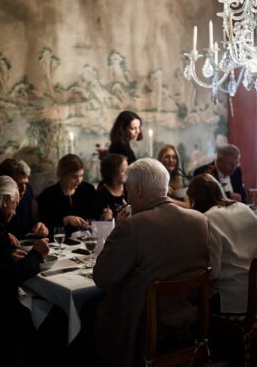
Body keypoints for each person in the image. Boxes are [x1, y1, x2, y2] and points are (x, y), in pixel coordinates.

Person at [93, 158, 210, 367]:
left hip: (142, 324)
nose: (127, 198)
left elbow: (101, 277)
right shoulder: (200, 220)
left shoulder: (133, 227)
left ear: (138, 190)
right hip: (188, 315)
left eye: (128, 191)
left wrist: (117, 229)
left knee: (88, 310)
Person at [0, 175, 49, 365]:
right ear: (5, 200)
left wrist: (7, 257)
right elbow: (11, 277)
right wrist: (36, 253)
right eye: (14, 205)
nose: (15, 212)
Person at [187, 173, 257, 314]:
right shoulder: (244, 208)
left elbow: (213, 272)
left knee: (187, 302)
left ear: (196, 200)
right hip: (254, 296)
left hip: (232, 302)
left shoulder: (208, 218)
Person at [37, 154, 99, 240]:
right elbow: (44, 229)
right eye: (74, 177)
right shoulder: (47, 196)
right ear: (62, 175)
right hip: (59, 244)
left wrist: (105, 215)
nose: (79, 181)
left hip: (86, 241)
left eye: (81, 176)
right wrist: (64, 220)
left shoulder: (88, 190)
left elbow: (95, 216)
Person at [0, 158, 48, 242]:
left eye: (25, 183)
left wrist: (38, 225)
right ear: (4, 184)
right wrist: (2, 236)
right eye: (19, 184)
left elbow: (28, 220)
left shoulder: (27, 191)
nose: (23, 189)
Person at [157, 144, 190, 208]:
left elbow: (187, 205)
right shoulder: (154, 180)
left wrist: (167, 199)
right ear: (161, 159)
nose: (171, 160)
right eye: (167, 157)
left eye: (174, 157)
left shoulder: (182, 181)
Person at [96, 153, 128, 220]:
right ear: (112, 173)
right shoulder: (101, 195)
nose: (127, 173)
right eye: (123, 171)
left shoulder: (129, 188)